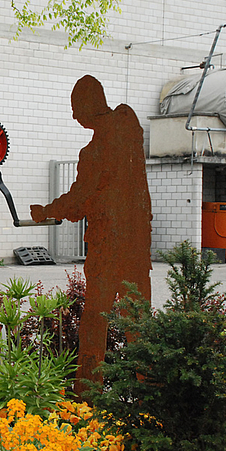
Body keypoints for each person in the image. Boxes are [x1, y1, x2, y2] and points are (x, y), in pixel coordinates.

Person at [30, 75, 152, 394]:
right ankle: (149, 394)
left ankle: (87, 390)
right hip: (137, 244)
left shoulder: (97, 149)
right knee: (138, 321)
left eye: (75, 108)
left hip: (108, 247)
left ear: (87, 105)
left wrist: (46, 211)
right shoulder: (129, 129)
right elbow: (93, 196)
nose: (74, 116)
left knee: (95, 321)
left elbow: (79, 199)